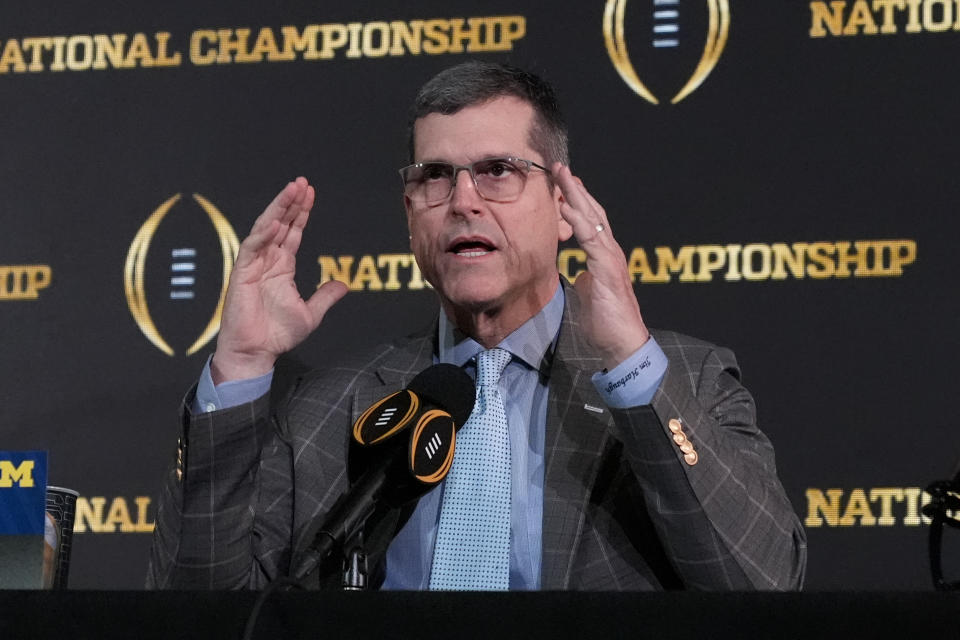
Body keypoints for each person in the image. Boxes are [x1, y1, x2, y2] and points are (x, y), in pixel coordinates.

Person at [147, 61, 806, 591]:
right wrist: (237, 370)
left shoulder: (681, 380)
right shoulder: (323, 412)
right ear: (411, 215)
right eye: (436, 176)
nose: (463, 202)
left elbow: (761, 583)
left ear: (561, 203)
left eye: (497, 171)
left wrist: (632, 363)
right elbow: (201, 613)